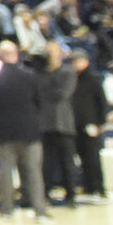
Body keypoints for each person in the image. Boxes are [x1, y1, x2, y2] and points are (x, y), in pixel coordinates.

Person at [0, 44, 49, 222]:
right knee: (34, 172)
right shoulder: (30, 76)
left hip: (4, 133)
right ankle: (40, 211)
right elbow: (38, 102)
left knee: (5, 172)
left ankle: (7, 210)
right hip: (29, 131)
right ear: (16, 55)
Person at [37, 41, 79, 207]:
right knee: (46, 163)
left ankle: (71, 195)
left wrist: (47, 90)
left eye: (52, 51)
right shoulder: (40, 73)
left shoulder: (68, 72)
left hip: (64, 123)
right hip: (45, 123)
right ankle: (45, 193)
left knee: (67, 162)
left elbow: (62, 94)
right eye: (47, 51)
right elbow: (38, 93)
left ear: (60, 53)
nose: (50, 54)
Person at [70, 49, 108, 201]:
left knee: (93, 157)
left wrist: (101, 122)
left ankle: (98, 187)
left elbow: (102, 102)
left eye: (79, 60)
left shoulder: (93, 79)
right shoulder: (71, 79)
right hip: (75, 125)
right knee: (81, 157)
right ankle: (87, 185)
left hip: (91, 124)